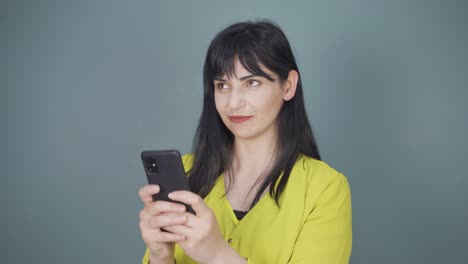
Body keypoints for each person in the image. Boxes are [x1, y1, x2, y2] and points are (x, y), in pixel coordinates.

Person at [138, 20, 352, 264]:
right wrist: (160, 254)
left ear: (288, 85)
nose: (233, 103)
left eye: (251, 83)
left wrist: (218, 255)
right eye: (222, 85)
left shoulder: (325, 189)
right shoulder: (186, 173)